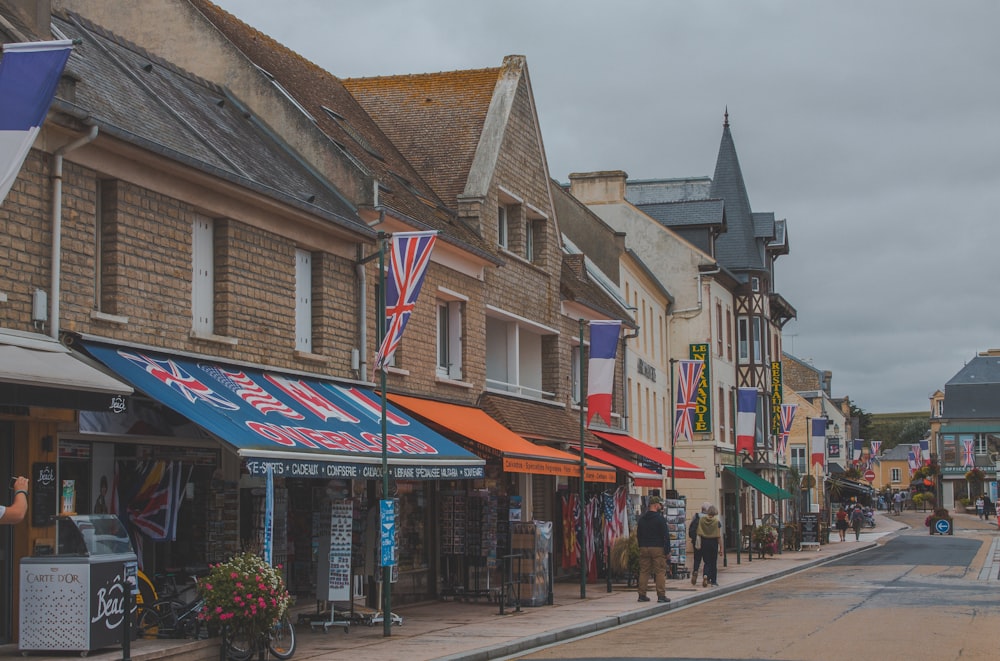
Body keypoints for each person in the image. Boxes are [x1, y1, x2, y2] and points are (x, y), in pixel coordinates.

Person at [635, 495, 670, 603]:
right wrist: (667, 551)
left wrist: (641, 546)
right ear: (655, 505)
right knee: (660, 571)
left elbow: (638, 534)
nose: (661, 506)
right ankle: (661, 595)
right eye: (660, 504)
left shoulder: (642, 519)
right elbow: (666, 535)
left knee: (644, 571)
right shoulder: (660, 519)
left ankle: (641, 595)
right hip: (657, 548)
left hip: (644, 547)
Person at [696, 504, 722, 587]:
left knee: (706, 561)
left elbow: (699, 532)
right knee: (713, 562)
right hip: (713, 542)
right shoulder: (716, 521)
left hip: (704, 542)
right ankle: (713, 581)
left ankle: (706, 575)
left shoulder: (702, 520)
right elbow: (718, 536)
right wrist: (721, 548)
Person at [688, 501, 711, 586]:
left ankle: (695, 571)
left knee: (697, 558)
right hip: (707, 541)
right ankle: (705, 575)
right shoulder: (709, 518)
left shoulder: (696, 516)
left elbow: (691, 527)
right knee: (707, 560)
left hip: (697, 541)